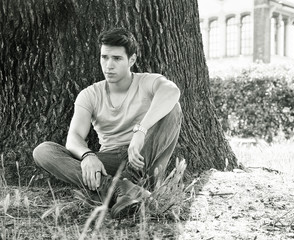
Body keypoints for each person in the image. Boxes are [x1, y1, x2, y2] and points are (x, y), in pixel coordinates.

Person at [32, 27, 182, 219]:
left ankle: (124, 185)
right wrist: (87, 156)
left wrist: (140, 131)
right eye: (104, 57)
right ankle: (121, 188)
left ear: (132, 60)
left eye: (117, 58)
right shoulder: (90, 95)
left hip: (144, 160)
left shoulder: (147, 82)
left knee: (173, 109)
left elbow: (172, 91)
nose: (109, 65)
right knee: (43, 151)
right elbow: (74, 138)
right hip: (108, 161)